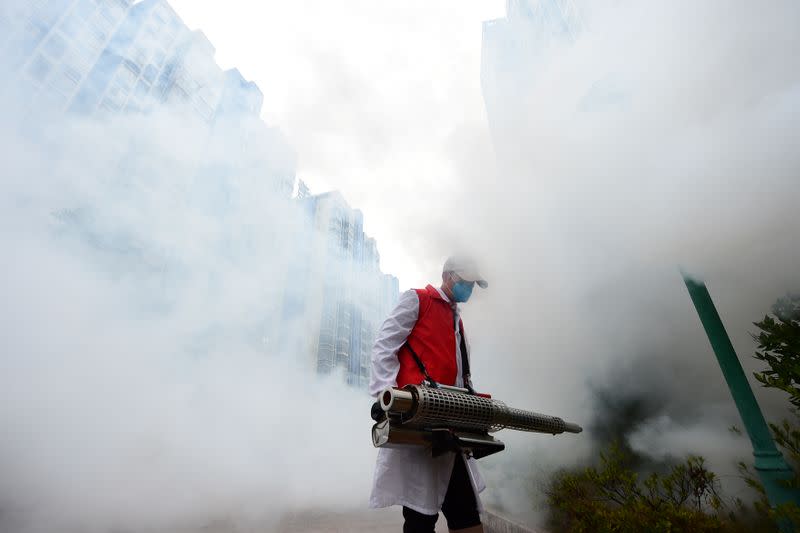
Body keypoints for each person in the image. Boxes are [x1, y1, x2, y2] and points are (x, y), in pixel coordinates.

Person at [369, 256, 489, 533]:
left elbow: (459, 375)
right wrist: (384, 395)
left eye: (473, 284)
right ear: (448, 277)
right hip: (419, 424)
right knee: (420, 517)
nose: (469, 288)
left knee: (467, 515)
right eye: (466, 282)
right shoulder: (417, 300)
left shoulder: (457, 322)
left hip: (451, 427)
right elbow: (384, 346)